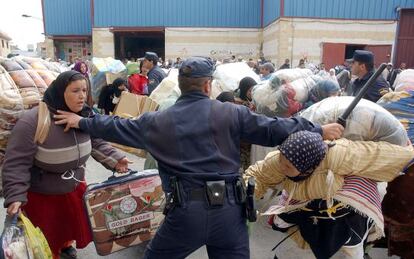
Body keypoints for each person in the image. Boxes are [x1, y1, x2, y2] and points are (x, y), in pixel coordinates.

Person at [54, 57, 344, 259]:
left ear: (181, 84)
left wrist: (80, 122)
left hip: (186, 215)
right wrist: (318, 128)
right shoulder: (232, 112)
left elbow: (115, 126)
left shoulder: (157, 121)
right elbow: (274, 128)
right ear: (208, 86)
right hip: (231, 211)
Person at [2, 71, 129, 259]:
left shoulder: (84, 116)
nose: (82, 96)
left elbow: (96, 142)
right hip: (43, 196)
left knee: (69, 225)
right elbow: (16, 162)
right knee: (46, 236)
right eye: (75, 90)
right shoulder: (34, 121)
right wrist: (15, 195)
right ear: (61, 92)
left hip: (75, 188)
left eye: (84, 90)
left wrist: (116, 159)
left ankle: (65, 246)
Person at [244, 131, 414, 259]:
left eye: (288, 166)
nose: (282, 166)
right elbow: (258, 175)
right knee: (289, 233)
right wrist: (244, 197)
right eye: (281, 159)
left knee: (351, 245)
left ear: (308, 166)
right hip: (303, 201)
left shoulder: (340, 155)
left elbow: (377, 155)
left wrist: (410, 155)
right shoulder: (281, 159)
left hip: (344, 202)